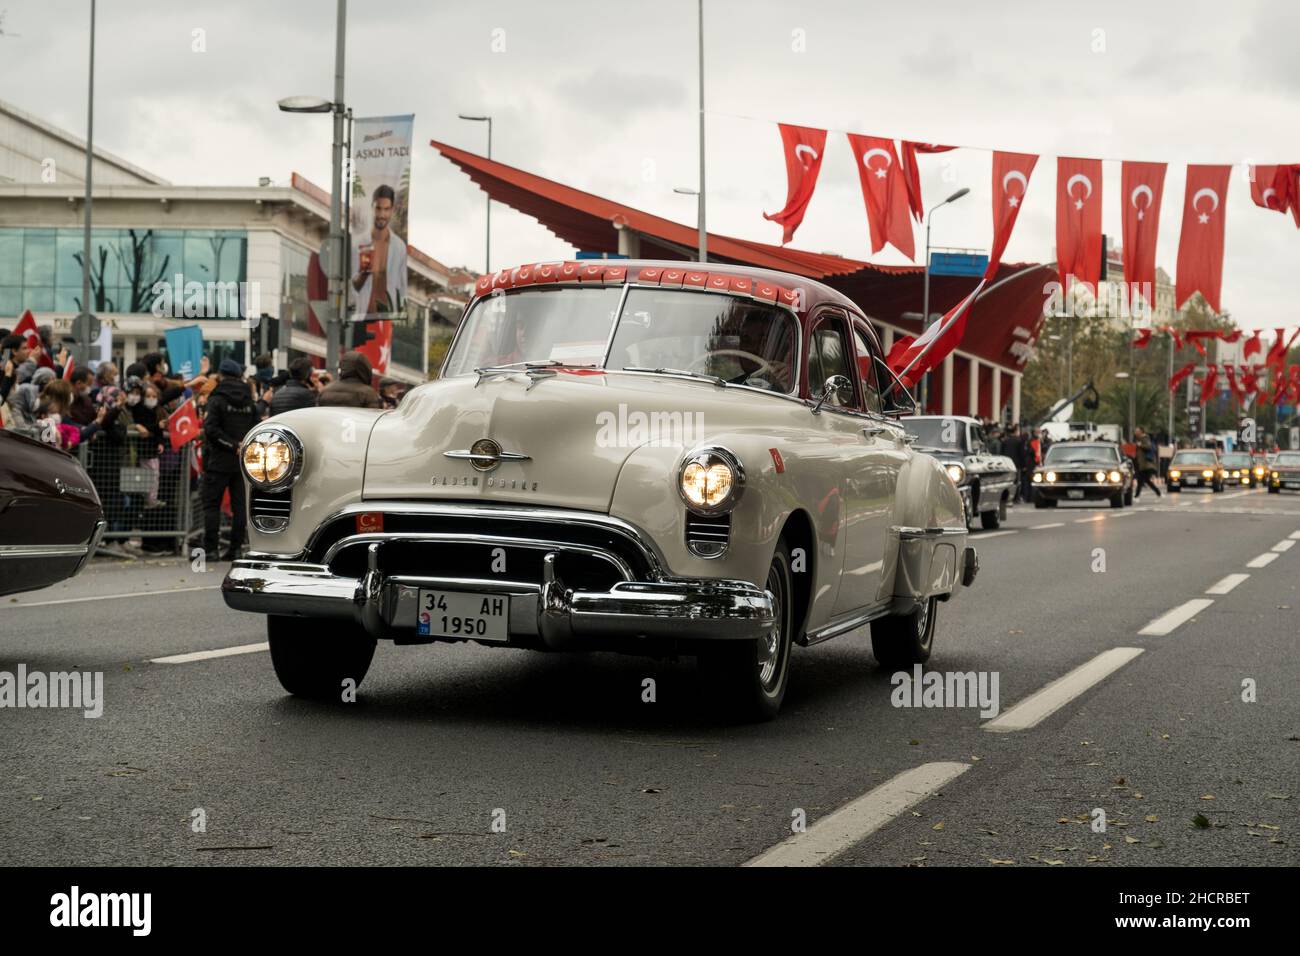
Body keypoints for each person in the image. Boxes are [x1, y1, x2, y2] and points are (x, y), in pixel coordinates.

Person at [201, 358, 258, 561]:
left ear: (221, 376)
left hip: (218, 460)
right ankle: (235, 549)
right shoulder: (249, 400)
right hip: (242, 462)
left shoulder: (217, 398)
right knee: (239, 506)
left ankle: (210, 549)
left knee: (211, 505)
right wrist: (242, 447)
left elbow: (211, 429)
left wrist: (232, 445)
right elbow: (256, 427)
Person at [1133, 426, 1162, 498]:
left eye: (1137, 431)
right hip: (1143, 464)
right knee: (1143, 480)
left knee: (1143, 480)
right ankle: (1157, 492)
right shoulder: (1140, 439)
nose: (1135, 432)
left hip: (1146, 464)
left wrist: (1140, 445)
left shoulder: (1145, 438)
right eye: (1135, 431)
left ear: (1141, 431)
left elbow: (1148, 446)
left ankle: (1137, 495)